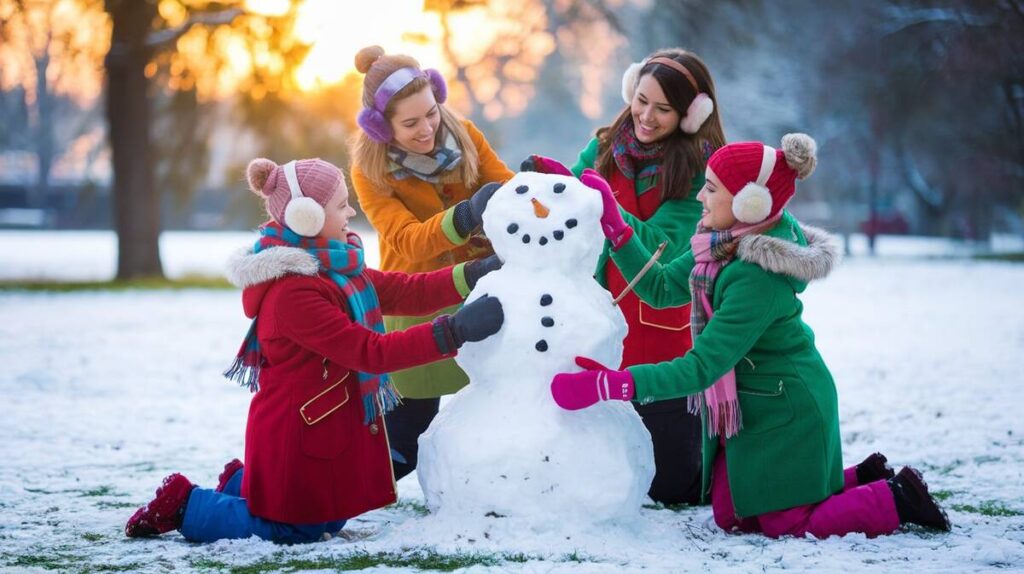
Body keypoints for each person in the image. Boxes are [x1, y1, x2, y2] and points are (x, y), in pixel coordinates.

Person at [549, 135, 951, 538]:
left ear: (749, 202)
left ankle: (897, 497)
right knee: (731, 515)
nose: (701, 199)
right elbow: (659, 287)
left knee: (789, 524)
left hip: (786, 406)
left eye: (711, 189)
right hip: (757, 403)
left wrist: (611, 384)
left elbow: (702, 367)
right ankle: (855, 479)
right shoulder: (722, 242)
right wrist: (615, 226)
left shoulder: (756, 275)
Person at [124, 157, 505, 543]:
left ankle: (242, 485)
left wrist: (472, 274)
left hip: (326, 425)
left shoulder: (334, 267)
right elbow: (370, 352)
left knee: (327, 522)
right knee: (296, 531)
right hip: (295, 435)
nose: (350, 211)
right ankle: (185, 503)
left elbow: (402, 289)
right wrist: (454, 331)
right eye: (341, 204)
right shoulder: (294, 292)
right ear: (305, 217)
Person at [524, 48, 725, 506]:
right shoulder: (602, 148)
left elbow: (666, 245)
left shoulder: (701, 173)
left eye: (663, 108)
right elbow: (571, 203)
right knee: (601, 463)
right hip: (599, 320)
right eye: (641, 99)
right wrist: (552, 186)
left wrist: (608, 209)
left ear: (692, 115)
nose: (646, 116)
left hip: (662, 332)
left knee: (673, 486)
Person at [350, 45, 514, 480]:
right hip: (418, 302)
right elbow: (404, 239)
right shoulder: (370, 170)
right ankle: (338, 489)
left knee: (496, 405)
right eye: (410, 123)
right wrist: (464, 215)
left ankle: (491, 485)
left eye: (431, 114)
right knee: (404, 435)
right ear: (381, 127)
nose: (427, 129)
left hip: (483, 286)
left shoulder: (464, 135)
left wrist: (524, 191)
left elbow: (504, 186)